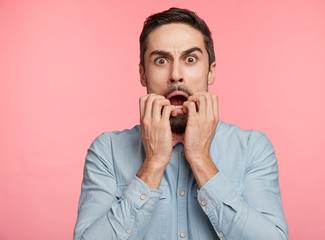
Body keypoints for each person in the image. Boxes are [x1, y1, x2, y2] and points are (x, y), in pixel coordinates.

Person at [74, 7, 288, 240]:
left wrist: (201, 160)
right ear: (143, 74)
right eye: (161, 60)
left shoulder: (252, 148)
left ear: (211, 72)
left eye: (190, 59)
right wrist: (154, 163)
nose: (176, 74)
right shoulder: (107, 151)